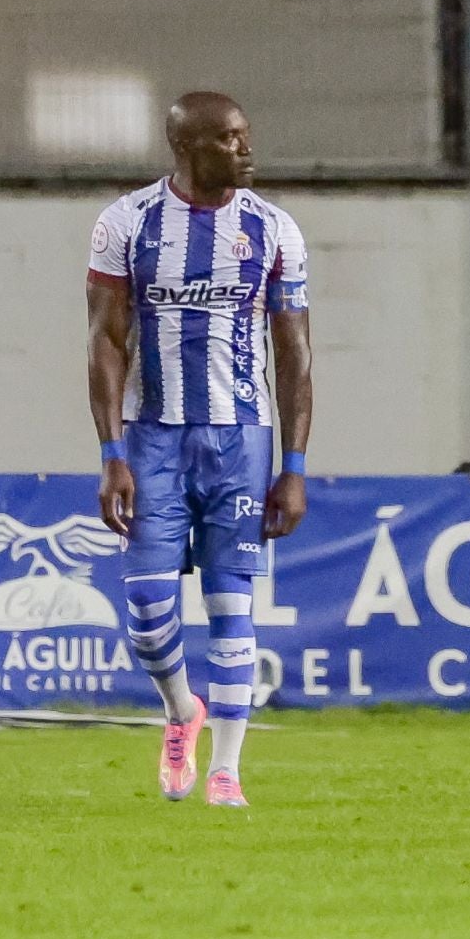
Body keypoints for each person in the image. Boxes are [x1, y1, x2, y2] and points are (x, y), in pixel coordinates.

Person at [87, 91, 313, 810]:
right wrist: (111, 452)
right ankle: (183, 708)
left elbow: (297, 357)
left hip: (241, 442)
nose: (248, 150)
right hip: (152, 438)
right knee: (148, 611)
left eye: (248, 136)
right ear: (189, 149)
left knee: (230, 605)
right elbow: (104, 341)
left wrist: (295, 468)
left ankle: (227, 772)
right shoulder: (126, 224)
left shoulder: (274, 230)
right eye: (231, 140)